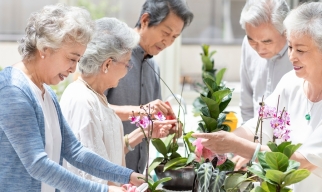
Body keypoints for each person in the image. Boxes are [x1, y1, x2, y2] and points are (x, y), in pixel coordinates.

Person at [193, 2, 322, 191]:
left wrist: (237, 146)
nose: (292, 56)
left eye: (300, 50)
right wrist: (218, 143)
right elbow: (259, 125)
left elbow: (302, 161)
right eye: (290, 47)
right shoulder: (291, 81)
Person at [0, 4, 143, 192]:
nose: (73, 69)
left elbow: (75, 151)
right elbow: (38, 165)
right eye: (72, 58)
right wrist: (105, 190)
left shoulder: (47, 93)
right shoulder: (13, 89)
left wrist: (127, 175)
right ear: (45, 48)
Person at [60, 17, 177, 186]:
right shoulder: (82, 101)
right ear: (107, 64)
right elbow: (89, 173)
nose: (128, 70)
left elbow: (105, 156)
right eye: (127, 64)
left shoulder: (95, 97)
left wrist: (143, 132)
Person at [106, 0, 194, 173]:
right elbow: (92, 109)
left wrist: (167, 125)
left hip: (136, 176)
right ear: (145, 20)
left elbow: (150, 121)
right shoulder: (113, 55)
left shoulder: (154, 67)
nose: (168, 42)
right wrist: (141, 110)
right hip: (105, 173)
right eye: (165, 32)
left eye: (174, 37)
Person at [235, 0, 292, 170]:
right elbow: (246, 104)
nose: (259, 49)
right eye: (252, 40)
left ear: (285, 31)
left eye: (267, 42)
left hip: (290, 160)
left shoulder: (301, 54)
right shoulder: (247, 45)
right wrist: (247, 147)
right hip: (254, 158)